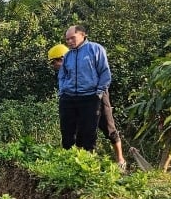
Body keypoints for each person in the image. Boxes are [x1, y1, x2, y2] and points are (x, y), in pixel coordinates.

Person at [48, 43, 127, 171]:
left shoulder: (85, 61)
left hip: (98, 97)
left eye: (53, 62)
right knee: (81, 131)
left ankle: (120, 159)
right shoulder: (65, 73)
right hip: (80, 101)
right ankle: (81, 163)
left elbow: (102, 75)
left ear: (61, 59)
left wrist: (98, 94)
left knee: (108, 128)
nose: (53, 66)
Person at [57, 25, 112, 152]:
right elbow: (62, 76)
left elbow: (104, 72)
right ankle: (68, 162)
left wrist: (99, 93)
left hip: (90, 97)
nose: (69, 42)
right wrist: (62, 91)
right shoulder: (68, 55)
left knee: (89, 133)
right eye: (67, 39)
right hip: (69, 98)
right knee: (67, 133)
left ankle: (88, 165)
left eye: (72, 38)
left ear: (82, 35)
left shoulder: (95, 49)